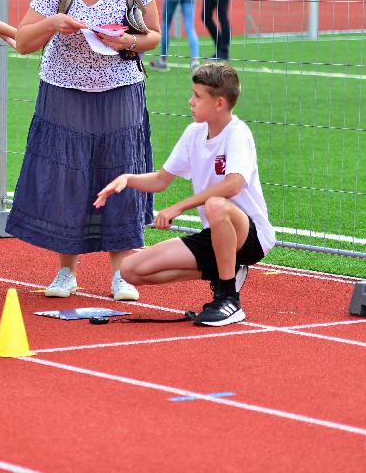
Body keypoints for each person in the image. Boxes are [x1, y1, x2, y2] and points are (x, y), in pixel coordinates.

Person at [8, 0, 161, 301]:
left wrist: (126, 40)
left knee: (121, 172)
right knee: (67, 175)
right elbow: (24, 42)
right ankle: (65, 272)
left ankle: (122, 273)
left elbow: (154, 36)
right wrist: (52, 24)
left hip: (120, 89)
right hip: (63, 91)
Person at [96, 63, 273, 326]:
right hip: (216, 234)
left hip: (251, 236)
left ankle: (228, 298)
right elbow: (160, 180)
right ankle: (223, 270)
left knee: (216, 204)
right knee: (130, 271)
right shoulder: (194, 133)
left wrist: (179, 207)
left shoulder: (238, 133)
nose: (190, 101)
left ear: (219, 104)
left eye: (197, 96)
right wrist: (127, 179)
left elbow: (233, 184)